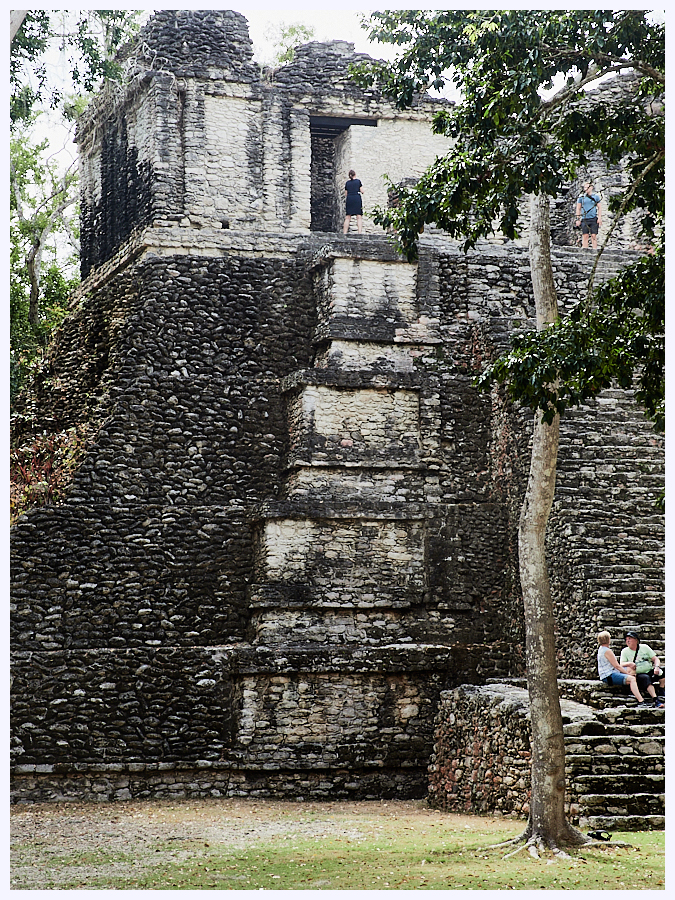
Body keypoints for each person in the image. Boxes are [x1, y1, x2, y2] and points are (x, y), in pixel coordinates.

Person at [596, 631, 653, 707]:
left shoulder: (601, 649)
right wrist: (627, 674)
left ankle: (635, 689)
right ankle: (641, 700)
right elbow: (617, 666)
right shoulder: (607, 651)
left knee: (630, 667)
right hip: (608, 675)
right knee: (632, 679)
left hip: (607, 673)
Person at [620, 630, 665, 705]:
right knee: (645, 678)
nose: (628, 641)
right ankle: (655, 699)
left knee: (664, 671)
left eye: (630, 639)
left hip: (649, 671)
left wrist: (657, 667)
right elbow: (621, 664)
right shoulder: (625, 651)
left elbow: (655, 659)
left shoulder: (645, 647)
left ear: (636, 640)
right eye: (626, 639)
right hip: (638, 675)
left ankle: (661, 689)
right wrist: (629, 663)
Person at [575, 182, 602, 250]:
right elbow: (578, 208)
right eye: (585, 187)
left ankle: (595, 250)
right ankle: (585, 250)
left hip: (593, 218)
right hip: (584, 218)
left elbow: (599, 207)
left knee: (593, 235)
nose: (586, 189)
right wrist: (578, 219)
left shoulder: (596, 197)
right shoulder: (581, 197)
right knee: (585, 235)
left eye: (587, 187)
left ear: (591, 188)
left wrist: (599, 218)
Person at [343, 170, 363, 235]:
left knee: (348, 217)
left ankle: (344, 233)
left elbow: (346, 194)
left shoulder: (347, 183)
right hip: (356, 198)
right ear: (355, 174)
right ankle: (359, 233)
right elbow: (362, 191)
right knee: (359, 216)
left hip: (349, 199)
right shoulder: (358, 181)